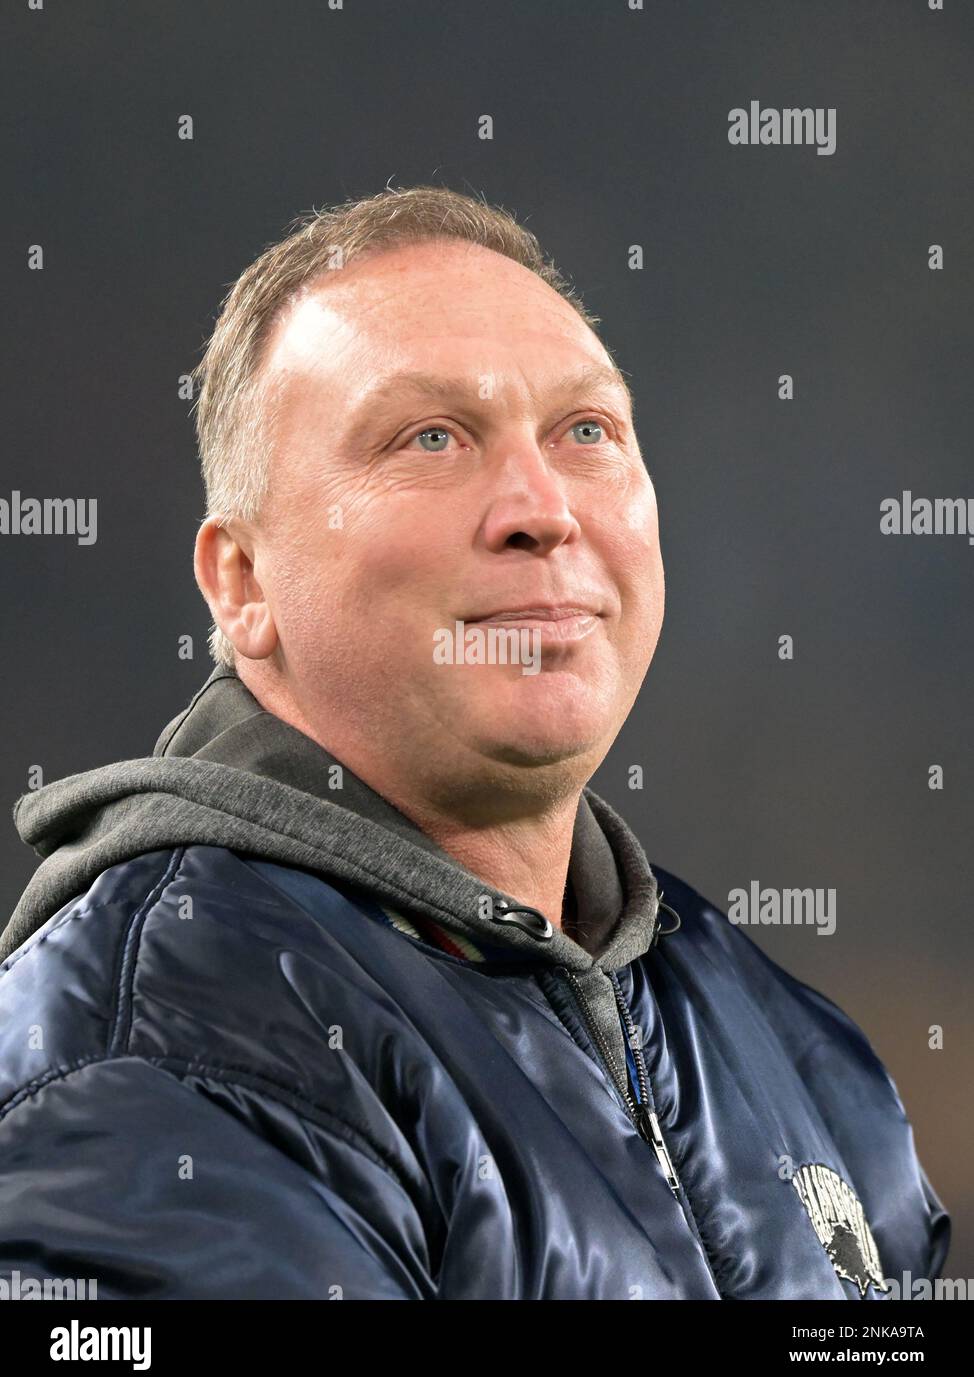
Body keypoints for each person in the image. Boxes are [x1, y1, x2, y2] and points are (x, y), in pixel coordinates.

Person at [0, 186, 949, 1299]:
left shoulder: (790, 1045)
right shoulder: (157, 1053)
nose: (539, 507)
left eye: (584, 431)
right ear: (242, 583)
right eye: (431, 437)